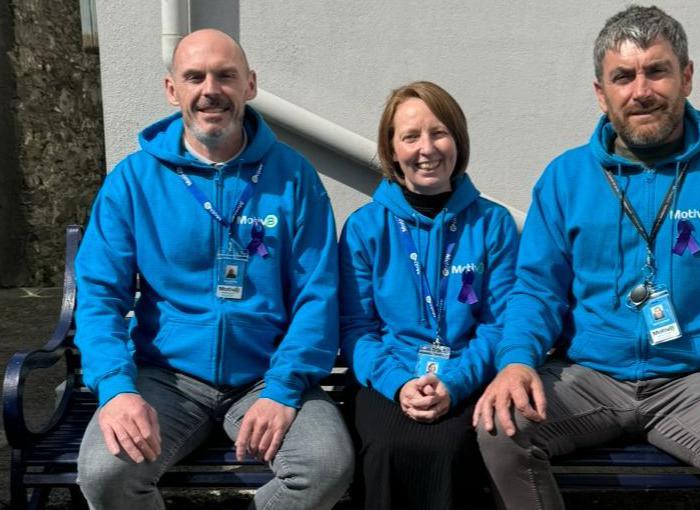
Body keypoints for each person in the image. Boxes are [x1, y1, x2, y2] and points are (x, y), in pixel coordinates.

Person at [473, 6, 700, 510]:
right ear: (600, 92)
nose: (641, 89)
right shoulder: (566, 178)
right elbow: (537, 288)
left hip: (695, 381)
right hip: (588, 377)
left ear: (687, 77)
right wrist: (517, 360)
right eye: (623, 77)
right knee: (502, 426)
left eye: (657, 70)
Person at [74, 29, 353, 509]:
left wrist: (284, 388)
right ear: (171, 89)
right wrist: (117, 388)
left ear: (250, 85)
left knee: (326, 468)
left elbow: (318, 295)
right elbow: (99, 293)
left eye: (226, 76)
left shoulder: (294, 176)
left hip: (266, 375)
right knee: (105, 473)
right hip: (165, 377)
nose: (210, 90)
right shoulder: (134, 181)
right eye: (194, 77)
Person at [339, 81, 517, 510]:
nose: (427, 148)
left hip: (466, 374)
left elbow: (499, 324)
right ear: (391, 148)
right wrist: (399, 384)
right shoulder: (366, 227)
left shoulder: (493, 224)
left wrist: (453, 383)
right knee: (383, 448)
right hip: (388, 378)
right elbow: (356, 328)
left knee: (455, 449)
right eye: (410, 136)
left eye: (439, 132)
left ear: (458, 139)